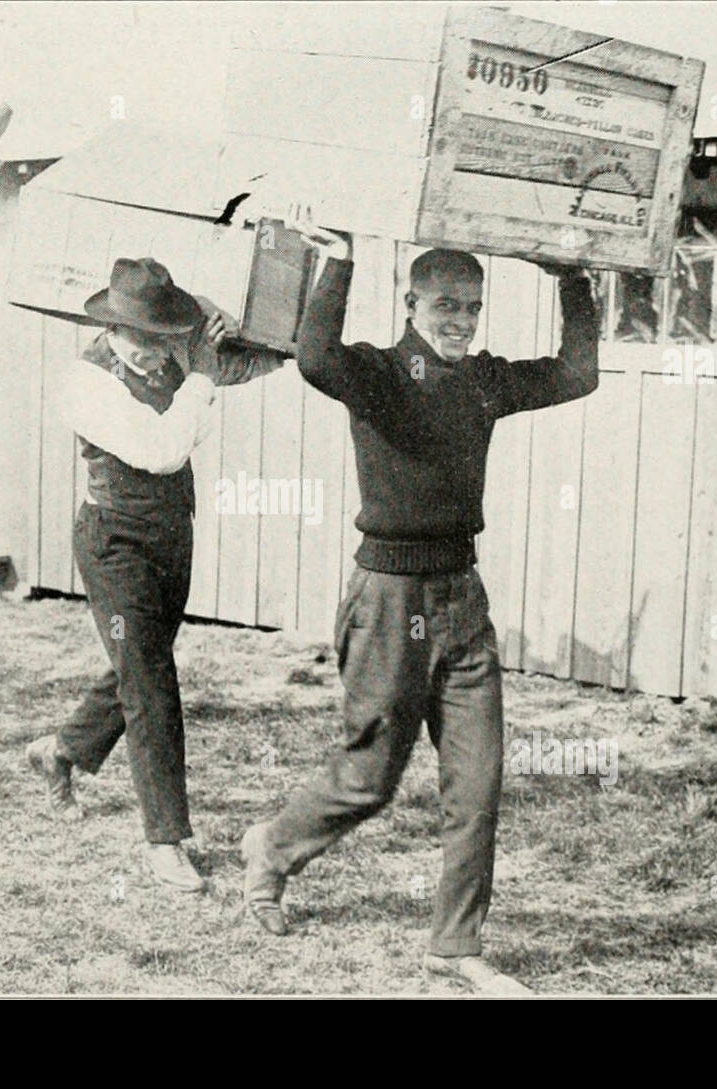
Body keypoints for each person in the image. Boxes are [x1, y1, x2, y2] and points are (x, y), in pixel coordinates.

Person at [239, 206, 600, 994]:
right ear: (411, 304)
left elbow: (578, 373)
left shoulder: (486, 381)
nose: (462, 321)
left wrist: (571, 277)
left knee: (478, 782)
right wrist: (340, 260)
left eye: (473, 307)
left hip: (463, 598)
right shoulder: (373, 370)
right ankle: (271, 847)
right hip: (388, 598)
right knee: (371, 774)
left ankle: (453, 948)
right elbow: (313, 356)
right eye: (446, 305)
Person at [26, 256, 283, 892]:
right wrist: (198, 370)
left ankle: (60, 750)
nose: (151, 353)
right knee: (153, 685)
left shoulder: (172, 355)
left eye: (163, 338)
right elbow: (162, 450)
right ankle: (166, 839)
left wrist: (265, 331)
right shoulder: (83, 382)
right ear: (111, 328)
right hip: (114, 541)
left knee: (138, 665)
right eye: (140, 339)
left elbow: (255, 362)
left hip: (172, 534)